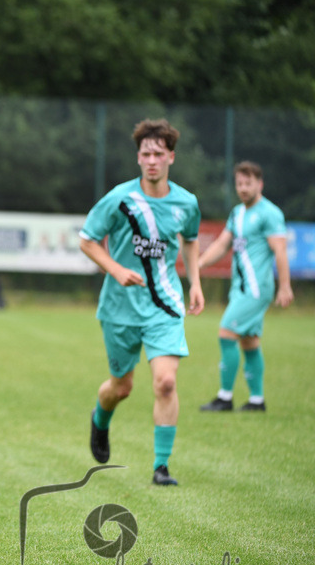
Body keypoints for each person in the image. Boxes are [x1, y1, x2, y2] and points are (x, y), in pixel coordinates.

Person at [78, 118, 204, 487]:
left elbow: (191, 240)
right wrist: (116, 269)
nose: (151, 160)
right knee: (121, 387)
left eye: (158, 154)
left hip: (164, 305)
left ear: (171, 157)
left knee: (165, 382)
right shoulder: (119, 199)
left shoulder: (186, 203)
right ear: (138, 158)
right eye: (145, 154)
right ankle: (100, 420)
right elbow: (87, 240)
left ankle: (161, 467)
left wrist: (195, 283)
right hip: (120, 308)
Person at [198, 161, 293, 412]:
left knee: (226, 333)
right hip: (240, 288)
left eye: (248, 183)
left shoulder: (270, 213)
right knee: (249, 342)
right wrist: (199, 263)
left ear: (260, 184)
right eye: (239, 183)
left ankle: (224, 398)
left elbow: (280, 250)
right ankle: (256, 401)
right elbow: (222, 244)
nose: (243, 188)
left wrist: (285, 286)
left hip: (256, 288)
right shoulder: (237, 213)